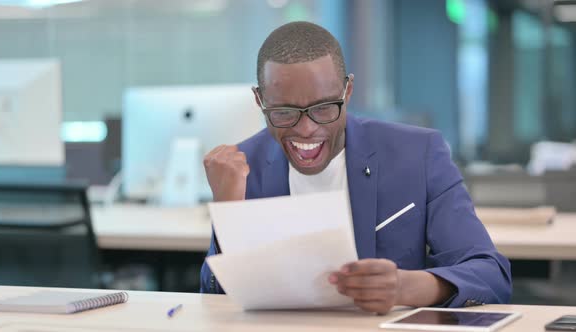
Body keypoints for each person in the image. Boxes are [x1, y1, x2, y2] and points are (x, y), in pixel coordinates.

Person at [199, 21, 511, 314]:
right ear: (259, 99)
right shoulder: (242, 167)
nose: (306, 129)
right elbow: (216, 306)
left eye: (323, 107)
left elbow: (490, 273)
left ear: (347, 91)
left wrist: (407, 287)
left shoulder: (417, 155)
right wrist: (227, 210)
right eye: (283, 112)